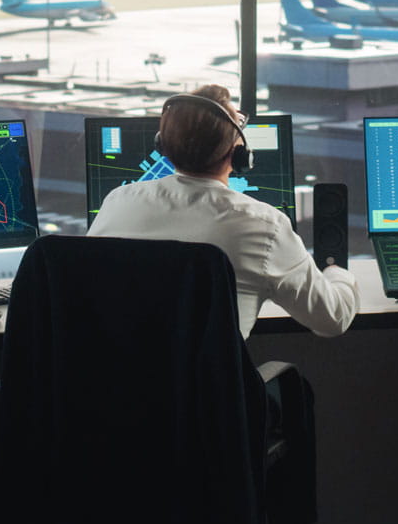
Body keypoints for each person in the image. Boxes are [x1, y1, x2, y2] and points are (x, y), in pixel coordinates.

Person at [89, 84, 359, 338]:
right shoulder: (264, 226)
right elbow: (332, 320)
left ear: (164, 146)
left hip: (111, 386)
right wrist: (337, 273)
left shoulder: (117, 201)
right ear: (238, 154)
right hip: (207, 388)